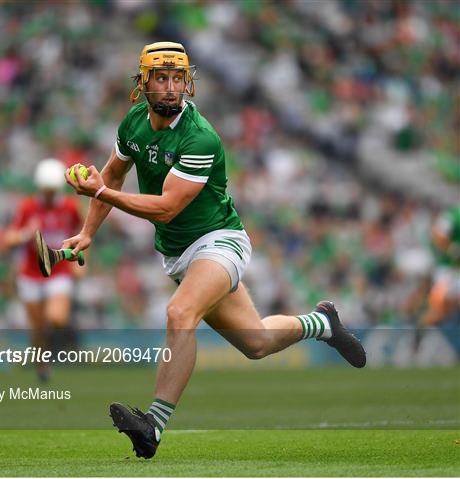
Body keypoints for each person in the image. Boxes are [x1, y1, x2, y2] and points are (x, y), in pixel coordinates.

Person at [63, 42, 366, 459]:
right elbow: (112, 176)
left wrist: (98, 191)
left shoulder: (199, 136)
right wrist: (87, 232)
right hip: (178, 254)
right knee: (256, 342)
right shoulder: (132, 123)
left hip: (219, 240)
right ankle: (323, 322)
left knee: (179, 312)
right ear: (143, 84)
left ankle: (152, 425)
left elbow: (167, 209)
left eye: (177, 79)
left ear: (187, 83)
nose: (171, 88)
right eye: (161, 78)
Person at [5, 158, 82, 382]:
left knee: (56, 318)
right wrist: (25, 234)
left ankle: (56, 345)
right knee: (37, 328)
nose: (49, 194)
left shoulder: (69, 207)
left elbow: (84, 232)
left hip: (59, 271)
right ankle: (42, 364)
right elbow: (9, 238)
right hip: (31, 273)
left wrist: (79, 263)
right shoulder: (28, 207)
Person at [422, 205, 460, 326]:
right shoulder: (454, 215)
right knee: (438, 306)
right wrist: (451, 249)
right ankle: (419, 336)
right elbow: (438, 235)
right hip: (449, 269)